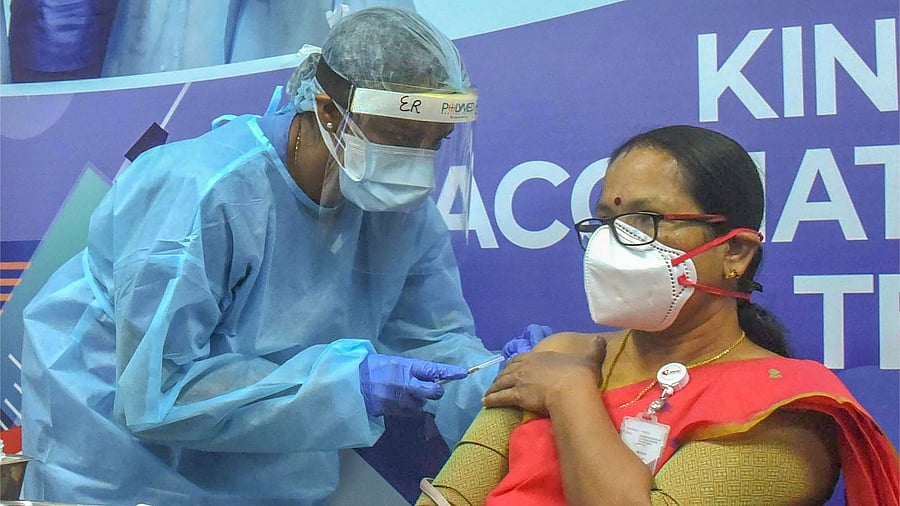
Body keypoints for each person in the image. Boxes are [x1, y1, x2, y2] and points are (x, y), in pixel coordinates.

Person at [19, 7, 548, 505]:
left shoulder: (401, 216)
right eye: (403, 136)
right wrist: (349, 383)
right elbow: (160, 391)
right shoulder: (201, 192)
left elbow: (433, 339)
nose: (419, 162)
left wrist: (492, 376)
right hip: (123, 474)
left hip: (272, 476)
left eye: (436, 141)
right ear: (327, 111)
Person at [415, 125, 899, 506]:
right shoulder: (559, 353)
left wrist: (571, 395)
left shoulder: (786, 412)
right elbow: (450, 495)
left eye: (644, 220)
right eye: (605, 221)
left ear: (735, 252)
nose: (611, 243)